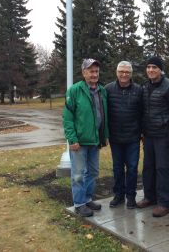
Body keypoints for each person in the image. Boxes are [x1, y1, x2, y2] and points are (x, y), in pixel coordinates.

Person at [63, 59, 109, 217]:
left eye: (96, 71)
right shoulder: (74, 90)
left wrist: (105, 136)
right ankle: (79, 203)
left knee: (93, 172)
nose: (94, 74)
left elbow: (104, 116)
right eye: (91, 71)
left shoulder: (102, 91)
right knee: (78, 174)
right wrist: (72, 139)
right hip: (79, 142)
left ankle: (87, 198)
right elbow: (68, 117)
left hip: (95, 141)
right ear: (84, 73)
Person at [137, 56, 169, 217]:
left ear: (160, 69)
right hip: (149, 135)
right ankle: (149, 197)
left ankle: (164, 203)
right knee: (148, 168)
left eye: (154, 67)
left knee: (163, 169)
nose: (150, 70)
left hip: (164, 135)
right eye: (148, 67)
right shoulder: (144, 87)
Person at [105, 61, 143, 209]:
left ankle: (131, 197)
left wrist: (141, 132)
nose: (124, 74)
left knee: (132, 168)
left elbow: (143, 113)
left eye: (127, 72)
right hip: (115, 138)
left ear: (131, 74)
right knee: (117, 168)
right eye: (121, 71)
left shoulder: (139, 90)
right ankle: (119, 195)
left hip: (133, 137)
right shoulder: (108, 89)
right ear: (117, 72)